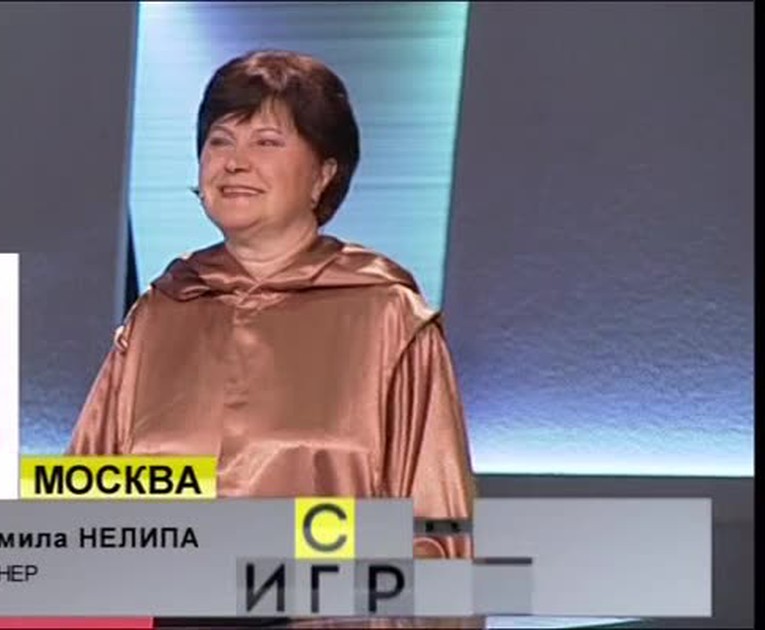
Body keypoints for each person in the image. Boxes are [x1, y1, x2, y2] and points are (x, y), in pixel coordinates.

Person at [68, 50, 476, 563]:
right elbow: (82, 510)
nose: (235, 162)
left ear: (323, 174)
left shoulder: (390, 317)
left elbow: (439, 536)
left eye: (266, 141)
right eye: (220, 140)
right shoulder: (159, 312)